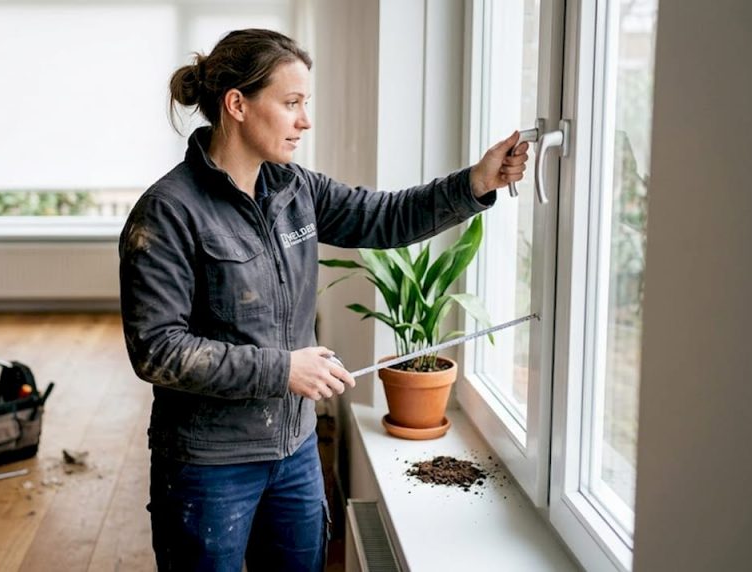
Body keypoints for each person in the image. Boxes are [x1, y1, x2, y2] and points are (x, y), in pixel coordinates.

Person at [119, 29, 529, 572]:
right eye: (291, 104)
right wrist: (281, 369)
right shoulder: (168, 212)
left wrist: (475, 183)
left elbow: (385, 216)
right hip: (208, 465)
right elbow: (157, 350)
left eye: (304, 104)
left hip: (294, 453)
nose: (304, 121)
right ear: (237, 105)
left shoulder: (296, 189)